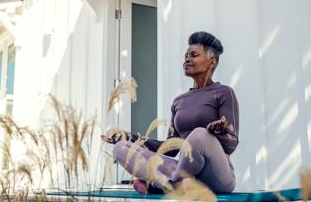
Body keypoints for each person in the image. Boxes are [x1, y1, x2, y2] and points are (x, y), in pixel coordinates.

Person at [102, 31, 239, 194]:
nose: (187, 59)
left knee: (200, 134)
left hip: (217, 176)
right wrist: (131, 138)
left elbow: (232, 143)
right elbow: (171, 147)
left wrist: (220, 132)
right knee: (121, 148)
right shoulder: (179, 101)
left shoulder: (223, 92)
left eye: (193, 55)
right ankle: (172, 184)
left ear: (211, 62)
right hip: (185, 172)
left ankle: (164, 185)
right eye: (186, 56)